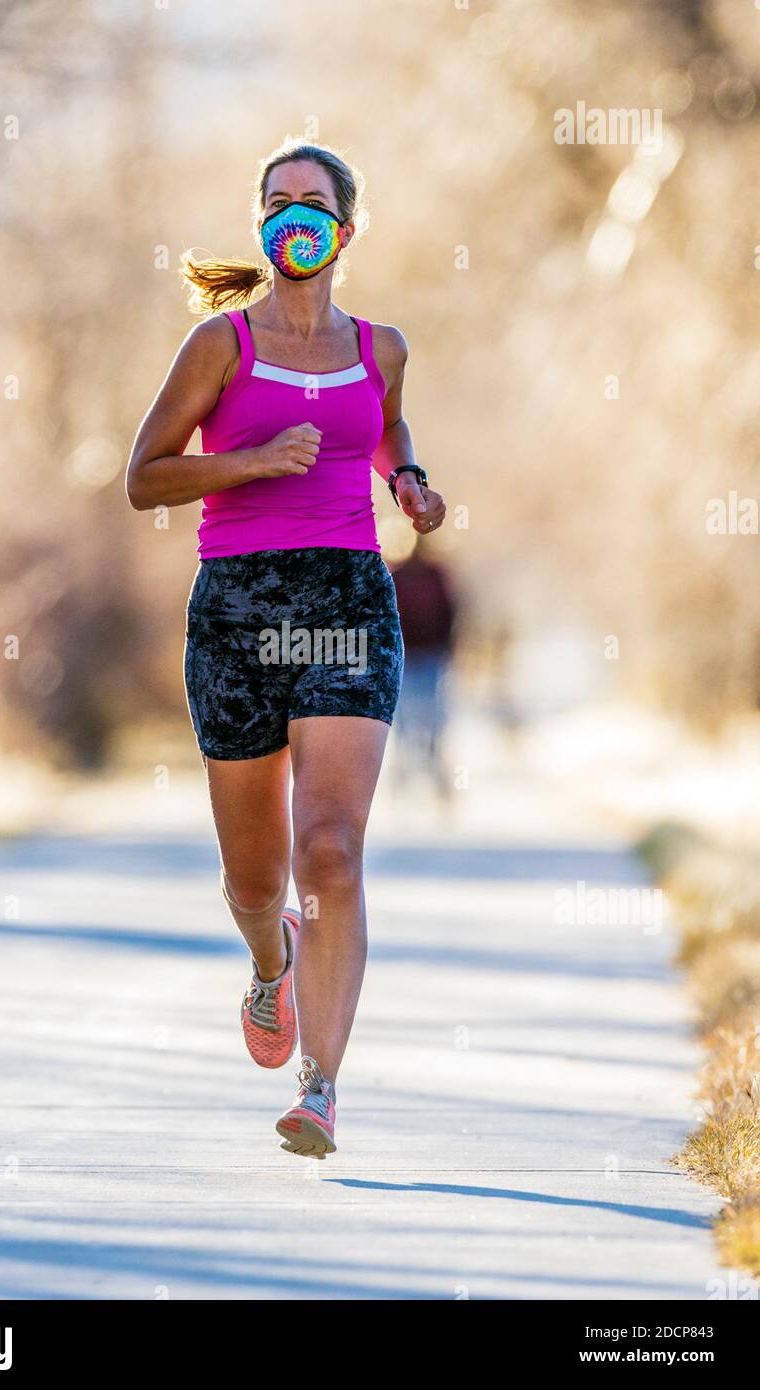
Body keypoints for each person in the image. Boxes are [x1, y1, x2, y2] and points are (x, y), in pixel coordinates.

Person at [126, 140, 445, 1159]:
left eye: (311, 202)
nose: (291, 217)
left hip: (348, 595)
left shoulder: (382, 345)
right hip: (236, 610)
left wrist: (410, 481)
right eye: (276, 202)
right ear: (261, 226)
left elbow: (386, 426)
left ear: (344, 231)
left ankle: (322, 1088)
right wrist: (255, 462)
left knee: (331, 850)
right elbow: (145, 477)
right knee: (257, 882)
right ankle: (271, 965)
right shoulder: (221, 346)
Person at [391, 537, 464, 799]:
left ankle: (435, 768)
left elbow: (451, 612)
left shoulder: (436, 576)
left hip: (432, 655)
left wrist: (448, 648)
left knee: (434, 716)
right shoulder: (396, 576)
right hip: (405, 657)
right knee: (403, 719)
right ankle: (403, 775)